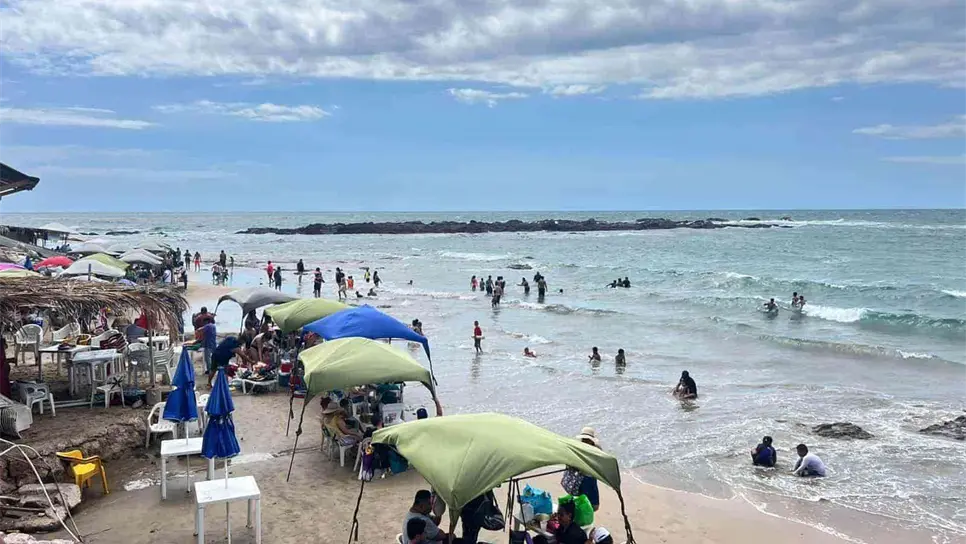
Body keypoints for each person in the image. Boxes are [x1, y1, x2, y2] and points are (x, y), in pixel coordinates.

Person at [576, 427, 602, 511]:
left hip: (591, 478)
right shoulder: (580, 449)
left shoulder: (595, 450)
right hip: (582, 479)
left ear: (592, 441)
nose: (585, 441)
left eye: (587, 440)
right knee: (583, 503)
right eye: (584, 439)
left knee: (593, 505)